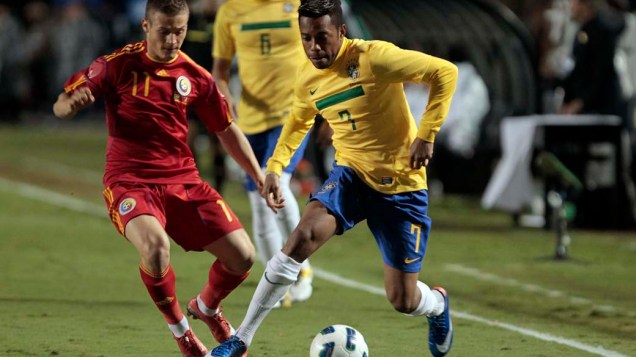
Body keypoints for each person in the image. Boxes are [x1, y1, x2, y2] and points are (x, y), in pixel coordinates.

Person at [211, 0, 458, 356]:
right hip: (351, 176)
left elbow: (445, 73)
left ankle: (436, 305)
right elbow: (298, 122)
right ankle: (241, 339)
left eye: (322, 37)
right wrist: (275, 168)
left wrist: (427, 133)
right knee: (300, 239)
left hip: (401, 187)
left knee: (403, 299)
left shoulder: (375, 58)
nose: (314, 47)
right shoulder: (308, 77)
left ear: (341, 32)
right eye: (306, 38)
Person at [52, 0, 263, 356]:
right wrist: (69, 106)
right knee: (155, 248)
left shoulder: (195, 75)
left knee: (243, 257)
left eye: (179, 30)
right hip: (129, 181)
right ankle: (182, 332)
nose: (172, 39)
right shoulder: (116, 65)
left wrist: (259, 177)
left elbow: (226, 130)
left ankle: (207, 306)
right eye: (164, 31)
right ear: (146, 27)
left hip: (184, 179)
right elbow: (61, 102)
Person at [212, 0, 313, 306]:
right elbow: (220, 70)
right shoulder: (231, 11)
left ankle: (302, 268)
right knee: (258, 202)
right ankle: (278, 280)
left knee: (277, 184)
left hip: (291, 114)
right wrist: (224, 92)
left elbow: (322, 53)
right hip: (250, 119)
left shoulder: (298, 6)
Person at [181, 0, 228, 192]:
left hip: (214, 86)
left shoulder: (223, 19)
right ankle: (195, 186)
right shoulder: (187, 17)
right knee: (188, 138)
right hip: (189, 87)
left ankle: (219, 190)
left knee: (217, 141)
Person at [560, 0, 628, 124]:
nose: (570, 7)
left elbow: (600, 74)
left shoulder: (602, 32)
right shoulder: (582, 32)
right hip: (583, 110)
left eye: (574, 3)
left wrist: (580, 103)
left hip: (601, 111)